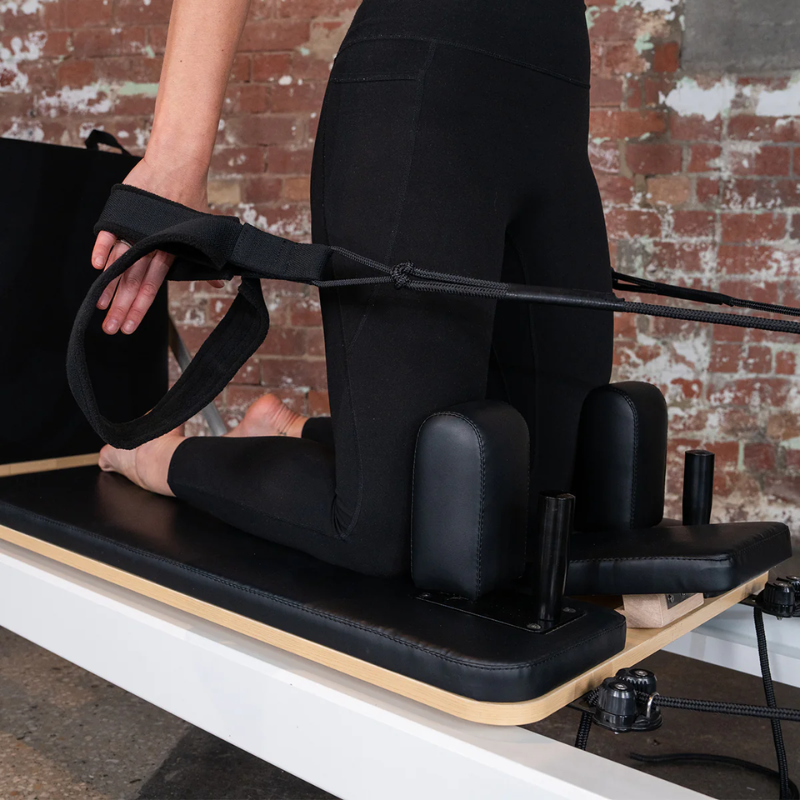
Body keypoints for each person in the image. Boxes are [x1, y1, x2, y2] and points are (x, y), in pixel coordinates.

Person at [95, 0, 613, 576]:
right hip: (428, 85)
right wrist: (175, 155)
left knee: (548, 502)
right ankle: (158, 457)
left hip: (557, 101)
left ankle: (290, 430)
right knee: (389, 530)